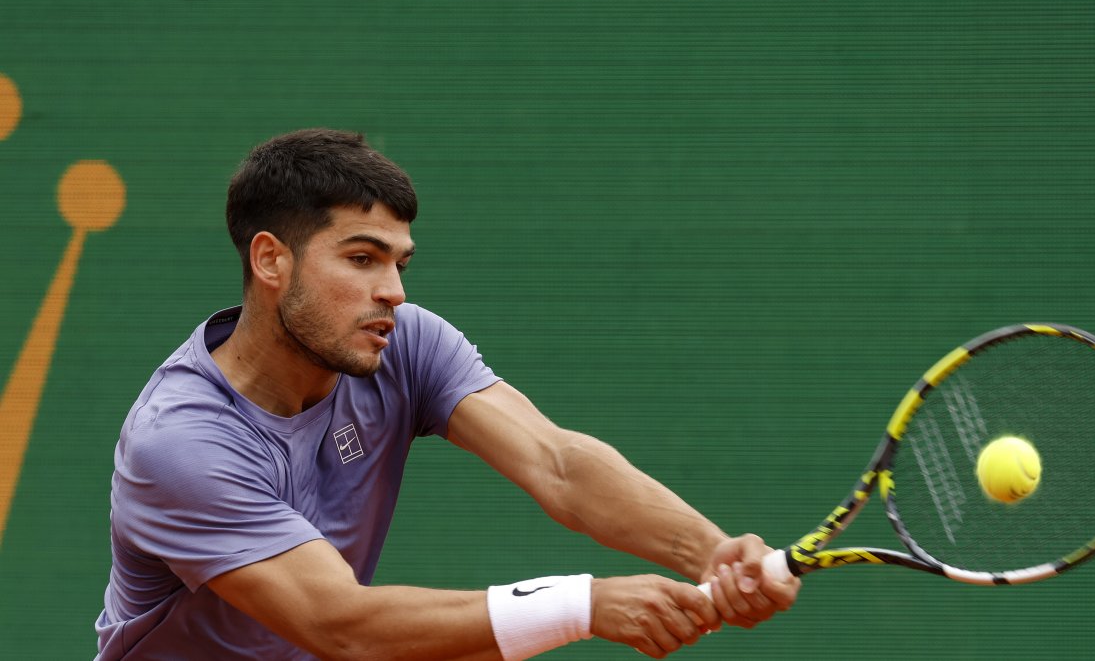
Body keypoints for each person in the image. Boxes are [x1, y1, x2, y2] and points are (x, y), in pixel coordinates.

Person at [95, 128, 800, 660]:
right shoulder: (181, 443)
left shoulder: (400, 340)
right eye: (361, 258)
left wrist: (711, 554)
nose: (393, 291)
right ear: (272, 259)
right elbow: (337, 622)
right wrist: (581, 604)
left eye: (399, 263)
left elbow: (558, 463)